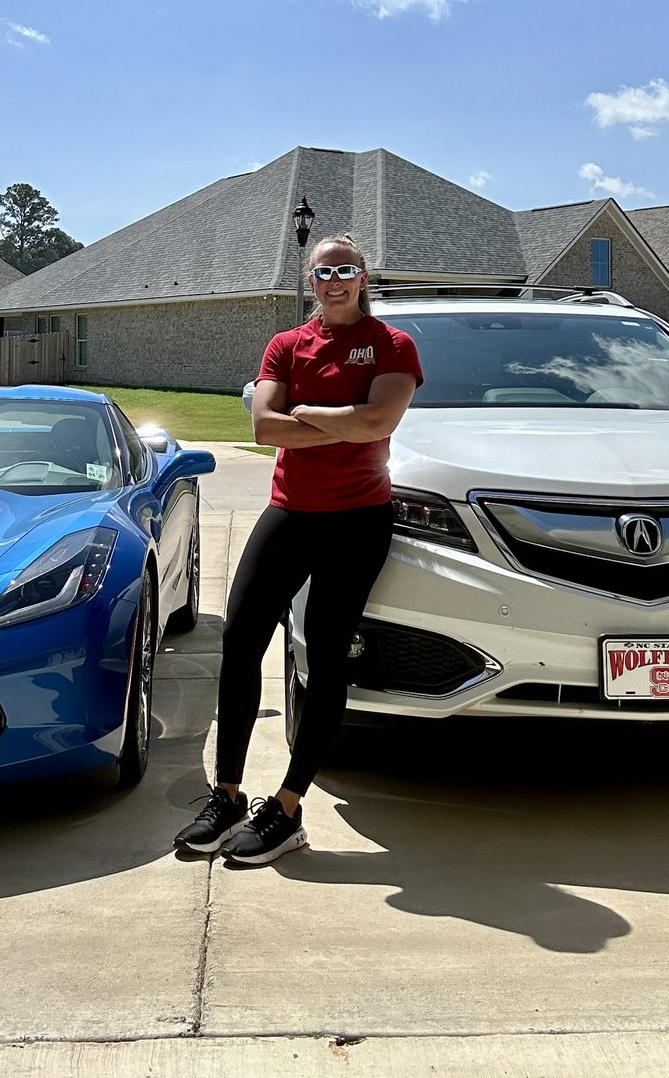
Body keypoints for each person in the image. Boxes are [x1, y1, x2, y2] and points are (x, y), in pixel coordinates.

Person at [173, 232, 423, 865]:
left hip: (358, 521)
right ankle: (227, 794)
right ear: (308, 280)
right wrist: (340, 419)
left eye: (345, 269)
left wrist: (306, 412)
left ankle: (286, 808)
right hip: (289, 513)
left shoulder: (394, 345)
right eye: (322, 271)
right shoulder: (286, 344)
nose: (333, 280)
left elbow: (378, 423)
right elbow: (262, 427)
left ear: (365, 277)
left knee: (328, 654)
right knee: (241, 641)